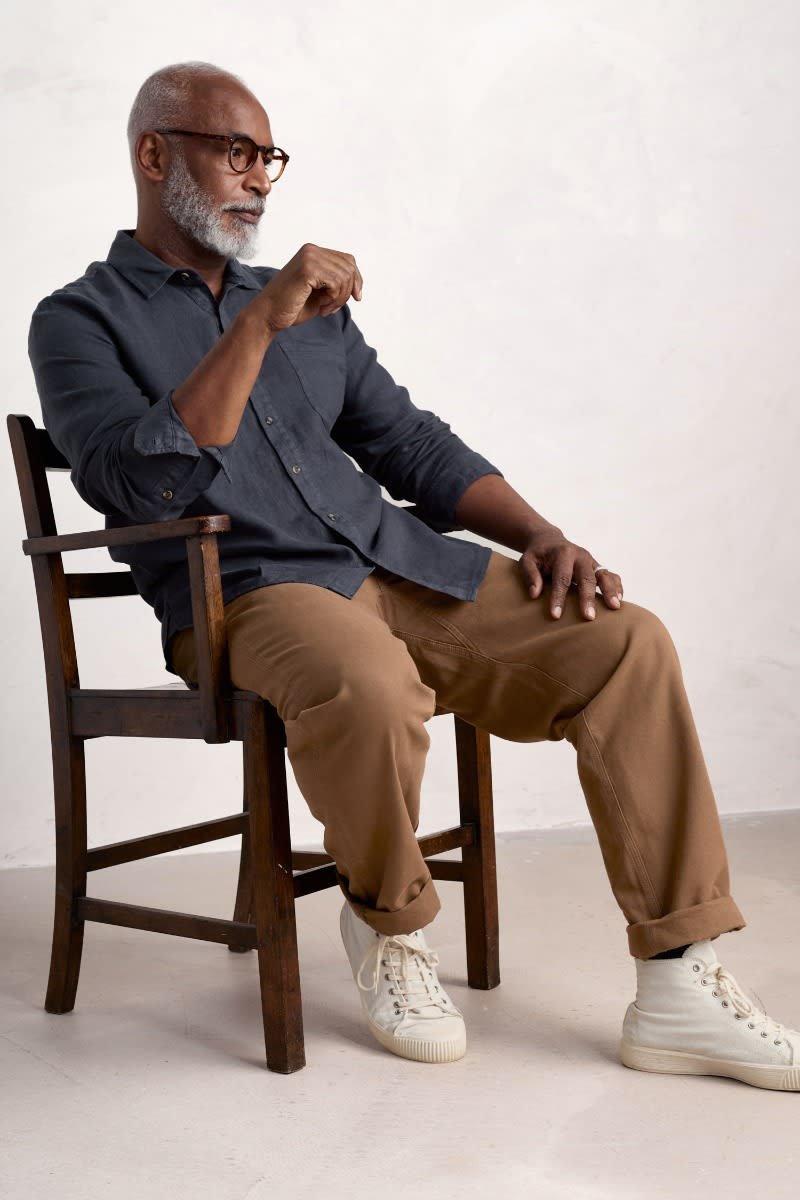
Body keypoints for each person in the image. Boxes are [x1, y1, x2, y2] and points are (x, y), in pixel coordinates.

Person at [27, 60, 798, 1089]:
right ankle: (388, 927)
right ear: (155, 154)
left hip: (389, 559)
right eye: (235, 152)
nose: (257, 178)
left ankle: (676, 977)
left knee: (623, 640)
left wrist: (540, 534)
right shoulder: (78, 319)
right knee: (368, 679)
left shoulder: (312, 312)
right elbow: (134, 482)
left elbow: (409, 446)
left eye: (269, 158)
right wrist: (257, 325)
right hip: (247, 593)